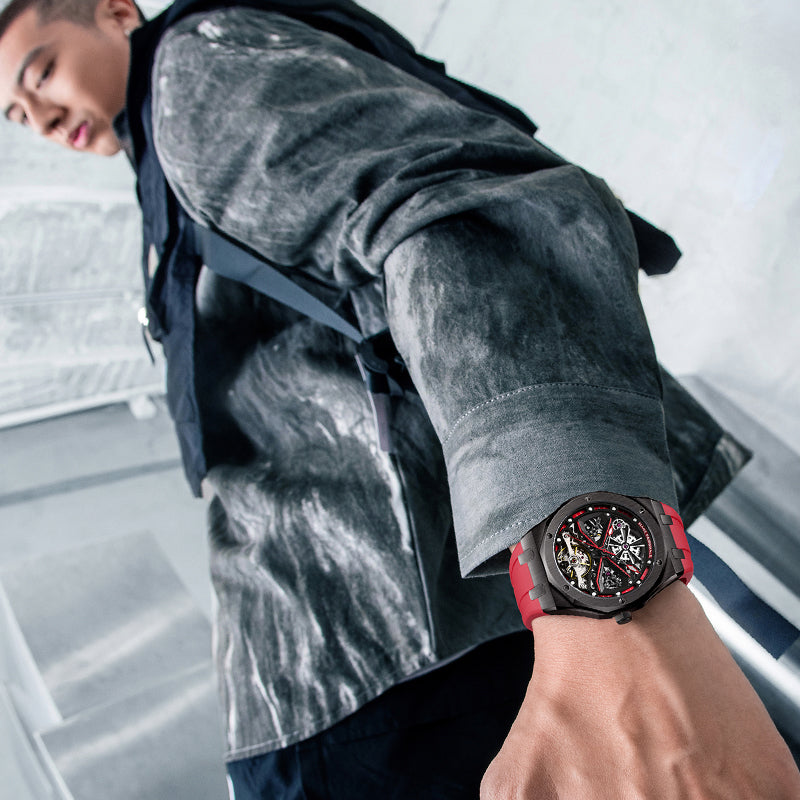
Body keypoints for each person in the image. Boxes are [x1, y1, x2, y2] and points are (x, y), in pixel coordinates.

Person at [2, 0, 799, 797]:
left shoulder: (193, 73)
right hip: (361, 672)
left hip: (395, 671)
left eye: (41, 73)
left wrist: (604, 612)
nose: (38, 115)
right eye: (14, 114)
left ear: (115, 12)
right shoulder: (162, 161)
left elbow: (449, 215)